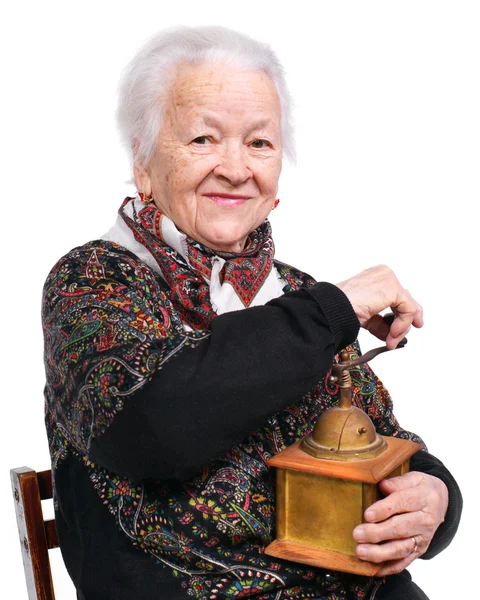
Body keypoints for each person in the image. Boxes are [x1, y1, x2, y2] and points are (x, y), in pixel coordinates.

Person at [42, 25, 462, 600]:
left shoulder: (296, 294)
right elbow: (153, 430)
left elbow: (384, 440)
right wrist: (331, 308)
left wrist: (435, 496)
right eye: (203, 140)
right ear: (142, 161)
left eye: (260, 144)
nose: (237, 169)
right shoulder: (93, 280)